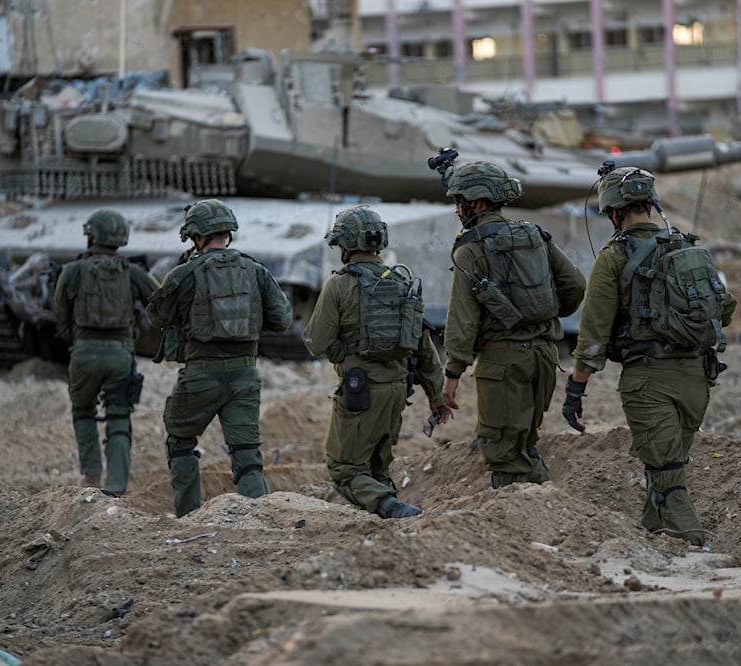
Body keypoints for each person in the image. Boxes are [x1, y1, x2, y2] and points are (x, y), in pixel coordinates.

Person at [562, 166, 737, 546]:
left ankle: (693, 543)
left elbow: (593, 334)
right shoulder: (687, 249)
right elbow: (724, 309)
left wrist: (576, 388)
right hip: (696, 381)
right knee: (666, 467)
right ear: (651, 204)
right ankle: (653, 532)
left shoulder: (612, 258)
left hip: (647, 382)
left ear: (613, 213)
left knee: (668, 474)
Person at [440, 161, 586, 489]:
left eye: (459, 202)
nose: (456, 210)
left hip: (503, 363)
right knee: (525, 444)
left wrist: (452, 375)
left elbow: (462, 320)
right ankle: (544, 511)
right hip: (545, 357)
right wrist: (545, 315)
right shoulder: (533, 235)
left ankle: (522, 526)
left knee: (505, 453)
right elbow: (576, 284)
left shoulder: (470, 249)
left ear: (476, 203)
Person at [302, 205, 453, 519]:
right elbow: (423, 348)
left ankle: (392, 508)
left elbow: (315, 341)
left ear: (345, 245)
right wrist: (437, 397)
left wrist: (340, 350)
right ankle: (387, 523)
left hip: (361, 392)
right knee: (376, 467)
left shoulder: (340, 284)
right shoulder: (401, 282)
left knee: (346, 469)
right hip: (398, 390)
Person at [146, 199, 292, 518]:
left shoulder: (186, 272)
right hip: (245, 375)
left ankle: (188, 515)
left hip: (200, 375)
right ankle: (258, 516)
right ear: (228, 233)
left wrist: (180, 274)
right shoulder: (255, 270)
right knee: (246, 451)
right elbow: (282, 320)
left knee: (181, 440)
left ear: (196, 236)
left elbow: (156, 318)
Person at [53, 209, 160, 495]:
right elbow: (161, 301)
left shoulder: (72, 271)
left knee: (82, 410)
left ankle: (90, 477)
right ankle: (117, 484)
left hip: (85, 352)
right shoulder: (133, 272)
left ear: (92, 236)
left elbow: (60, 317)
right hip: (121, 353)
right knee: (119, 417)